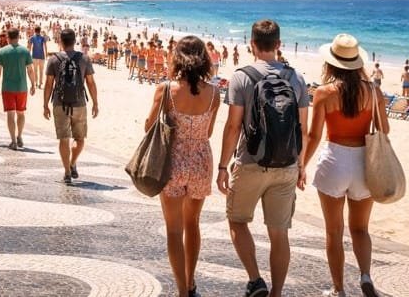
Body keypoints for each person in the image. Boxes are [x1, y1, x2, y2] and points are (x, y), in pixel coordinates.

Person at [216, 19, 310, 297]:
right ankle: (277, 293)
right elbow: (303, 128)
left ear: (252, 45)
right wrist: (301, 165)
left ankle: (256, 280)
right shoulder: (297, 78)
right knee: (279, 233)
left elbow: (233, 126)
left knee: (237, 221)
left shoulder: (241, 76)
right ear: (279, 45)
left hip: (250, 161)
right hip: (287, 164)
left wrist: (223, 166)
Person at [304, 34, 387, 297]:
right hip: (364, 163)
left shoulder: (324, 93)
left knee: (334, 231)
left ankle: (338, 289)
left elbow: (314, 135)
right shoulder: (373, 91)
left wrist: (301, 166)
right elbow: (384, 129)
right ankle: (365, 275)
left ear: (332, 63)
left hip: (334, 161)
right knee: (361, 228)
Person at [144, 36, 219, 297]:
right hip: (201, 161)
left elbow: (149, 126)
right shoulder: (214, 93)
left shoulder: (166, 90)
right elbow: (208, 132)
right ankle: (190, 282)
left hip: (173, 162)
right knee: (193, 223)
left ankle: (182, 291)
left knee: (174, 229)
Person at [42, 28, 99, 183]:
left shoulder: (53, 60)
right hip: (79, 103)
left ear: (60, 41)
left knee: (63, 139)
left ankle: (67, 171)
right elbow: (91, 83)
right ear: (75, 41)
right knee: (80, 139)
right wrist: (95, 103)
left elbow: (48, 84)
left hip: (59, 103)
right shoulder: (84, 59)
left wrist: (45, 105)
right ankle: (73, 162)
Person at [0, 28, 35, 150]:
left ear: (7, 37)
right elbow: (30, 70)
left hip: (7, 88)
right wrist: (33, 84)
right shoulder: (25, 51)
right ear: (18, 36)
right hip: (22, 87)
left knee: (10, 114)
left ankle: (13, 141)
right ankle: (20, 136)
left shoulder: (2, 52)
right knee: (21, 113)